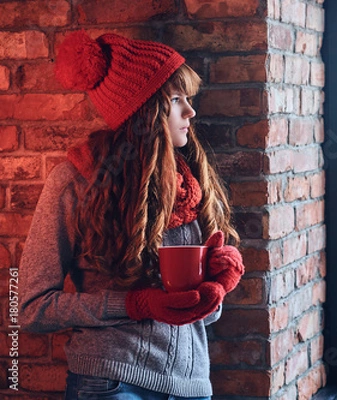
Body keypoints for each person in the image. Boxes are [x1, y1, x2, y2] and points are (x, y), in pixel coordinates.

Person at [19, 30, 245, 399]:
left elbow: (203, 315)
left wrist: (218, 284)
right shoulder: (75, 182)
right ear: (146, 111)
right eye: (176, 99)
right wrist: (133, 304)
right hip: (111, 383)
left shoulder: (192, 184)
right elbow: (31, 309)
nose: (190, 111)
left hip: (192, 387)